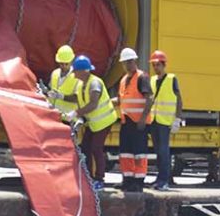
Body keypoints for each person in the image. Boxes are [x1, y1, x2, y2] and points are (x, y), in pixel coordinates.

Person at [63, 55, 116, 191]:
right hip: (94, 123)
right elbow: (77, 97)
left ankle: (99, 179)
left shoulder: (95, 83)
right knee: (85, 146)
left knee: (96, 149)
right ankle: (88, 177)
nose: (73, 73)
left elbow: (93, 104)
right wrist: (61, 96)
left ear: (83, 71)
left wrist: (76, 113)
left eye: (75, 70)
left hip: (104, 121)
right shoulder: (81, 84)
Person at [114, 47, 153, 192]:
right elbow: (120, 100)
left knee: (139, 153)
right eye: (125, 62)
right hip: (127, 121)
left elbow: (149, 98)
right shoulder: (124, 80)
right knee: (126, 152)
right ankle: (128, 180)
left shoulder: (142, 77)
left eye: (130, 61)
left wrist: (143, 118)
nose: (128, 64)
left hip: (138, 123)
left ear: (134, 61)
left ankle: (139, 181)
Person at [149, 50, 182, 191]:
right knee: (158, 151)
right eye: (154, 65)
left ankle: (164, 180)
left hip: (165, 121)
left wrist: (177, 118)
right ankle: (160, 179)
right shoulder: (152, 80)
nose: (156, 68)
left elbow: (179, 99)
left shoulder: (171, 79)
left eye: (158, 65)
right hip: (154, 120)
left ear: (164, 65)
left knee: (163, 151)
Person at [47, 45, 79, 116]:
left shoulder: (78, 77)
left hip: (68, 118)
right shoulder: (55, 73)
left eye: (66, 64)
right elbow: (51, 90)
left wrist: (62, 96)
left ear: (71, 61)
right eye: (61, 64)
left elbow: (78, 98)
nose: (64, 66)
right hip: (53, 114)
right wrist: (46, 91)